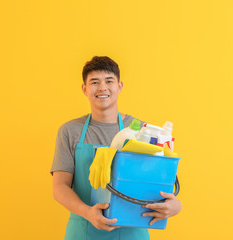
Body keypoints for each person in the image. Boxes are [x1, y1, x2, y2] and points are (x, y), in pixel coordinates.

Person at [51, 56, 182, 240]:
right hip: (84, 230)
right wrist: (88, 212)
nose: (102, 88)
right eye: (94, 82)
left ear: (119, 86)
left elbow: (155, 182)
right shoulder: (70, 131)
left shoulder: (142, 132)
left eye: (109, 81)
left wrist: (175, 205)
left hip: (132, 231)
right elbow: (60, 187)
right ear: (84, 89)